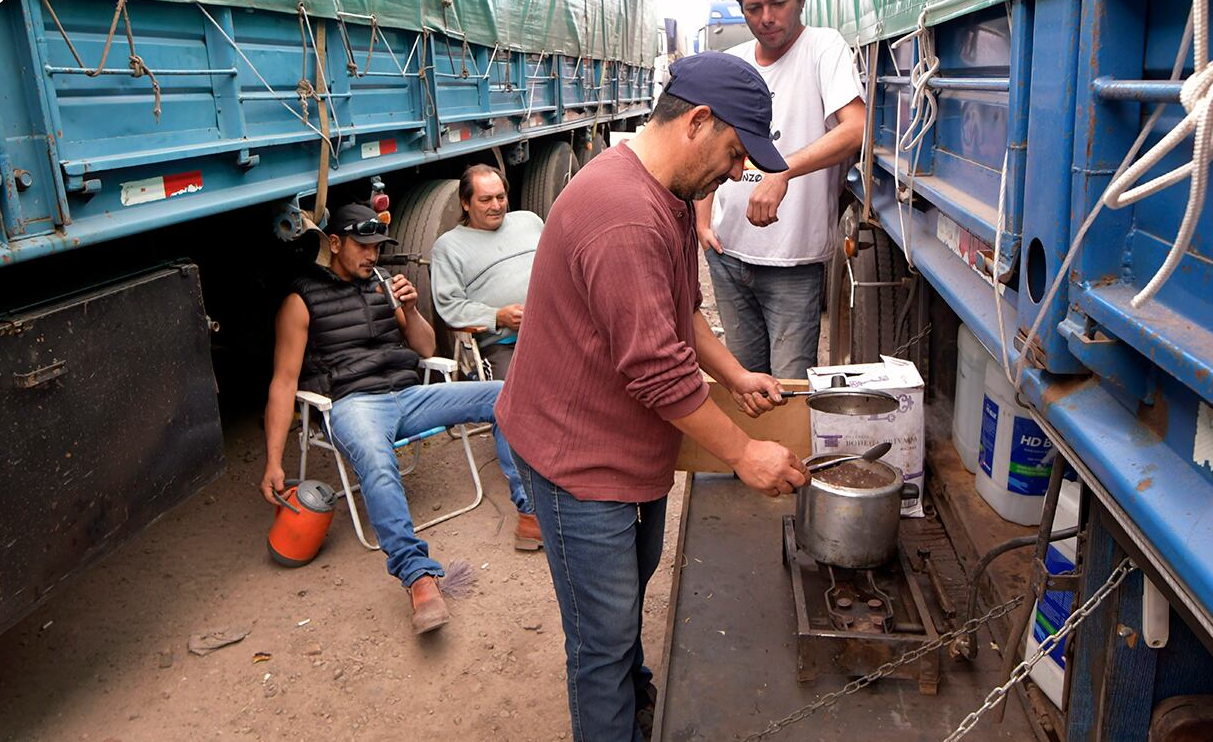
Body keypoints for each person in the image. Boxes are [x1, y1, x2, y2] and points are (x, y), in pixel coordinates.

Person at [496, 52, 812, 741]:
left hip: (626, 450)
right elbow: (658, 373)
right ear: (698, 121)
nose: (737, 173)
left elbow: (680, 311)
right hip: (577, 463)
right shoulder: (624, 214)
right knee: (601, 640)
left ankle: (632, 703)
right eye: (734, 153)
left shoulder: (663, 195)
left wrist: (734, 374)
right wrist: (745, 455)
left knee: (622, 610)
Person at [260, 203, 543, 636]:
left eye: (377, 247)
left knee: (505, 395)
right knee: (374, 456)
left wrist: (410, 311)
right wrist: (274, 463)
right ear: (334, 244)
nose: (373, 256)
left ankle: (528, 512)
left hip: (408, 396)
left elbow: (427, 349)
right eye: (363, 246)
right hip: (353, 405)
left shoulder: (382, 285)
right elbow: (283, 383)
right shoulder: (302, 300)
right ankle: (418, 576)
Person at [695, 0, 867, 379]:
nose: (766, 17)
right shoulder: (732, 64)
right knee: (745, 385)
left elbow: (856, 128)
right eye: (753, 7)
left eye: (778, 3)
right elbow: (706, 149)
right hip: (728, 257)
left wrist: (782, 170)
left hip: (792, 263)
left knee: (788, 388)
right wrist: (702, 221)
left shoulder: (823, 48)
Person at [431, 164, 543, 380]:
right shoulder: (449, 247)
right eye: (486, 200)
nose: (496, 206)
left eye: (501, 197)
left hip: (553, 329)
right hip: (504, 345)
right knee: (513, 398)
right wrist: (497, 316)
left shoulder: (529, 221)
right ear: (465, 203)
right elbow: (450, 306)